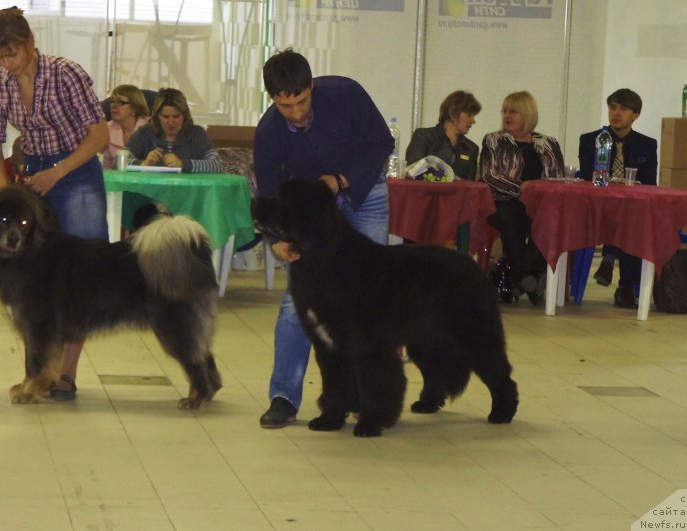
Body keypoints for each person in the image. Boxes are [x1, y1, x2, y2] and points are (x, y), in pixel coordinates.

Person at [254, 48, 394, 428]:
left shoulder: (347, 93)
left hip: (364, 196)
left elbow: (382, 142)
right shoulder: (268, 134)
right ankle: (283, 396)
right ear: (272, 99)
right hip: (312, 221)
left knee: (369, 300)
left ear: (311, 86)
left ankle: (372, 397)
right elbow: (268, 197)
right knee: (294, 305)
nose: (296, 112)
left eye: (301, 100)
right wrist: (278, 240)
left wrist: (342, 179)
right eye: (285, 106)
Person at [0, 6, 109, 401]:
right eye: (1, 57)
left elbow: (100, 135)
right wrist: (5, 189)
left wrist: (59, 172)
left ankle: (64, 375)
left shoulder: (65, 73)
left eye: (13, 53)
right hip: (32, 177)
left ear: (30, 44)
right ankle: (38, 372)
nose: (8, 63)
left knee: (81, 277)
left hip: (78, 171)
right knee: (34, 287)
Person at [481, 90, 564, 306]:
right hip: (503, 200)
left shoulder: (549, 143)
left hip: (540, 203)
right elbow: (489, 176)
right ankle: (528, 279)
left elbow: (556, 178)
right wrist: (521, 188)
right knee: (511, 220)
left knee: (550, 221)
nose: (507, 116)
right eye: (505, 111)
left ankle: (525, 278)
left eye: (514, 111)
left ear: (527, 114)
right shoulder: (494, 140)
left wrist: (536, 190)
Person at [578, 88, 657, 309]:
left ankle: (610, 259)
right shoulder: (591, 140)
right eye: (612, 107)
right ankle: (624, 288)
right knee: (627, 220)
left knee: (632, 218)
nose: (616, 113)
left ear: (635, 115)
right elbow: (586, 176)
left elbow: (649, 182)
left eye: (623, 109)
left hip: (630, 207)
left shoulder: (647, 145)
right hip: (596, 204)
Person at [126, 87, 223, 173]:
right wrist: (143, 164)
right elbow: (118, 161)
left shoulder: (197, 134)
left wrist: (183, 164)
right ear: (157, 116)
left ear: (184, 115)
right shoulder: (145, 133)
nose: (171, 122)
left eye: (176, 116)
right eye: (165, 116)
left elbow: (217, 165)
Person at [405, 90, 481, 180]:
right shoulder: (422, 137)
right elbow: (413, 172)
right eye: (469, 115)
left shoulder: (471, 148)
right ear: (453, 114)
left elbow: (470, 186)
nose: (473, 121)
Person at [102, 84, 149, 170]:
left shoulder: (151, 127)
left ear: (135, 107)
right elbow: (105, 166)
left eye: (120, 102)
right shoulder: (106, 129)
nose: (113, 105)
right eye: (112, 101)